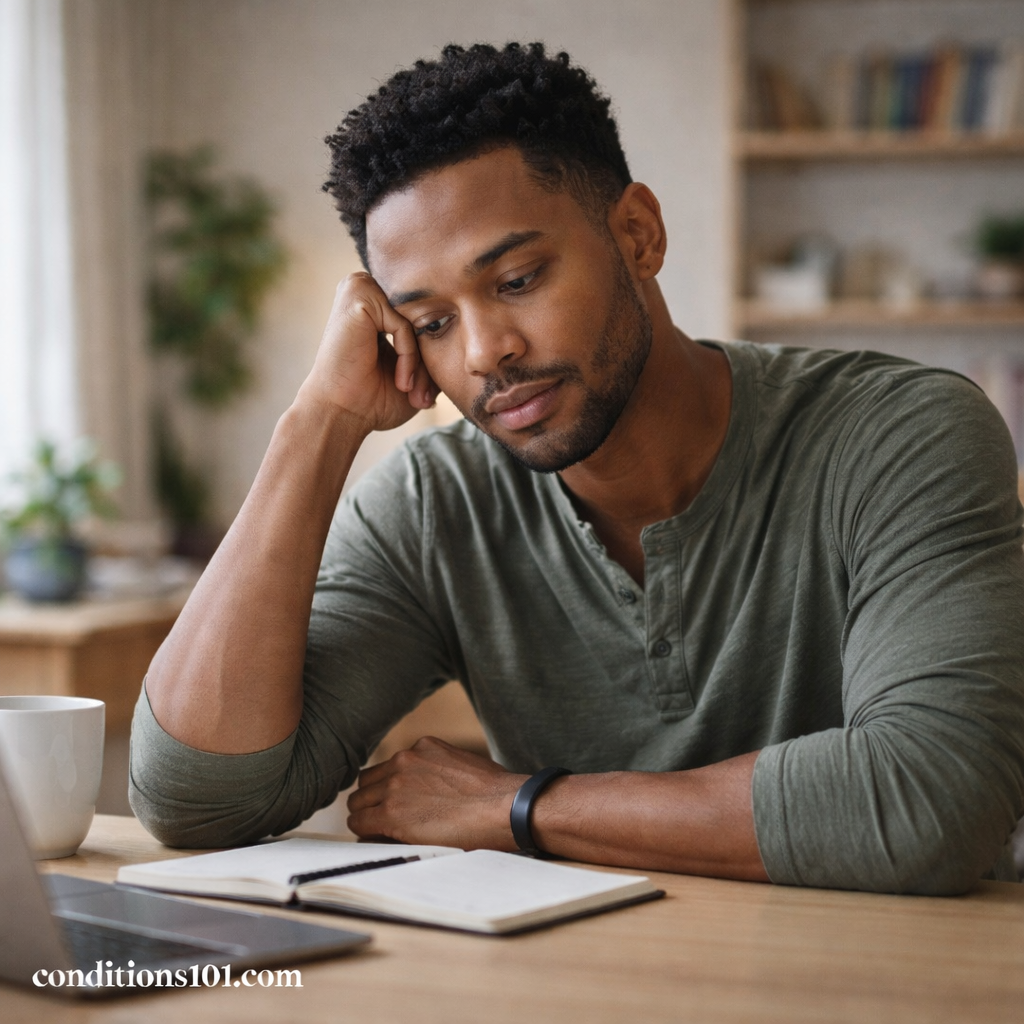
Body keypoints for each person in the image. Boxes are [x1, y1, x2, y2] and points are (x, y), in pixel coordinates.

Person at [131, 42, 1024, 894]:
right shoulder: (438, 505)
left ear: (637, 235)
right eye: (432, 322)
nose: (486, 352)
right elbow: (196, 799)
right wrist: (317, 425)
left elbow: (932, 797)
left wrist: (518, 805)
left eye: (516, 279)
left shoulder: (900, 436)